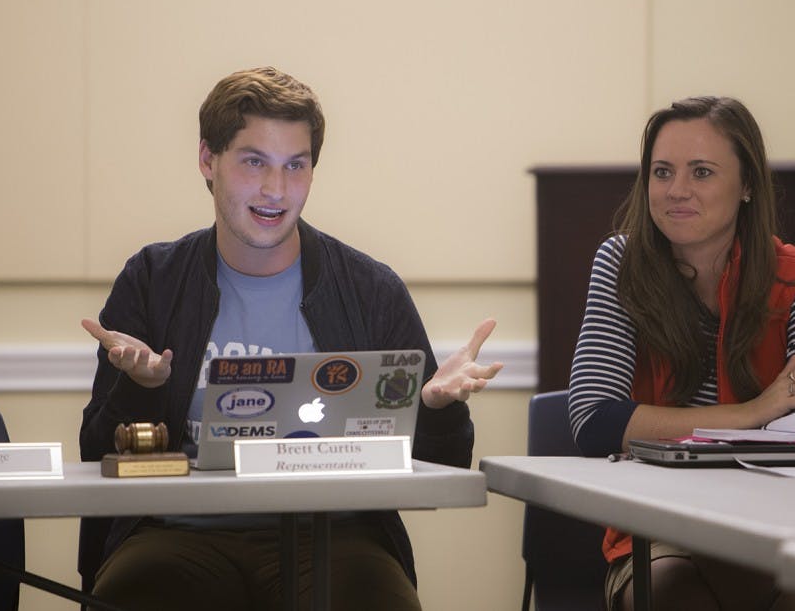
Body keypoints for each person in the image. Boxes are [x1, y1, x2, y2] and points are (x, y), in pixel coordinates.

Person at [79, 66, 503, 610]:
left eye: (295, 166)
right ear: (209, 160)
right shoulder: (153, 280)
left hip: (335, 536)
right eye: (254, 162)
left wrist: (437, 409)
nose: (276, 190)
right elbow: (95, 453)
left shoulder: (370, 290)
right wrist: (139, 389)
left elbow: (442, 469)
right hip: (176, 534)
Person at [567, 96, 795, 611]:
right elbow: (597, 420)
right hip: (655, 529)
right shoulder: (619, 264)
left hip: (771, 521)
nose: (677, 191)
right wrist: (752, 413)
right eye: (662, 172)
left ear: (745, 187)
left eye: (701, 172)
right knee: (676, 595)